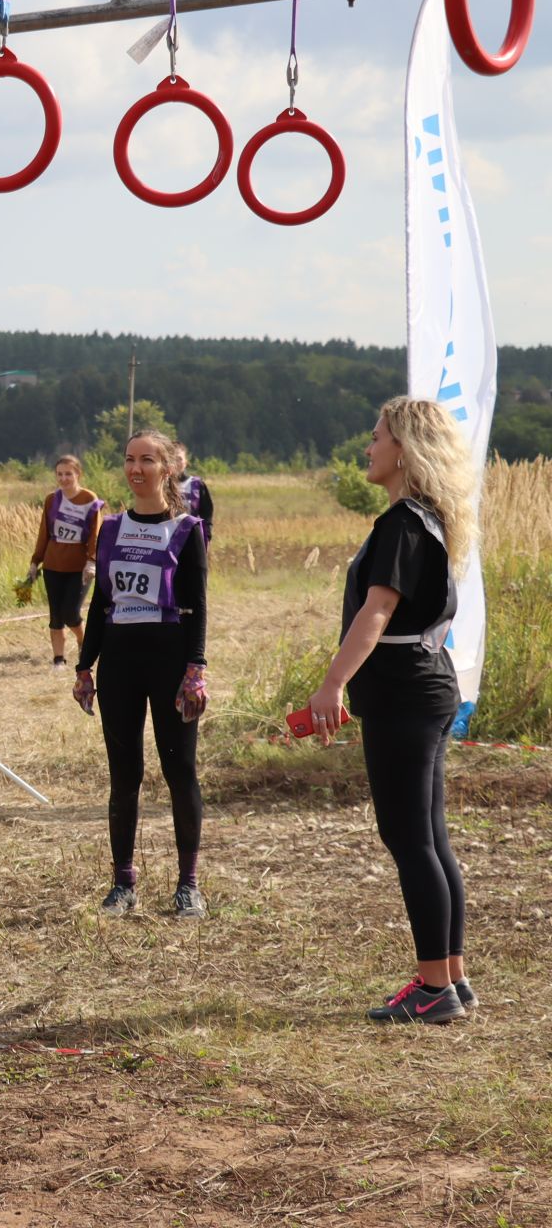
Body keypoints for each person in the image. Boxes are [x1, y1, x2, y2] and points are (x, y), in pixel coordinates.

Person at [308, 397, 477, 1025]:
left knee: (410, 838)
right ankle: (451, 978)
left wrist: (331, 685)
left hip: (405, 692)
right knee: (428, 837)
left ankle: (433, 988)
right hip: (425, 687)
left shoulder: (402, 524)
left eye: (377, 436)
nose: (368, 444)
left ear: (404, 448)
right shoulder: (424, 518)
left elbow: (374, 614)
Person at [73, 430, 209, 918]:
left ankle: (188, 884)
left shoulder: (187, 529)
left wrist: (196, 670)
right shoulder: (109, 529)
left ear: (167, 468)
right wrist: (84, 666)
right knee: (123, 774)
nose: (136, 469)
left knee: (179, 771)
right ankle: (123, 883)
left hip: (170, 662)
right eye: (129, 459)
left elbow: (198, 606)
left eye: (147, 460)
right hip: (121, 664)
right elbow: (103, 604)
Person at [26, 455, 103, 669]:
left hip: (79, 567)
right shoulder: (52, 500)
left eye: (68, 473)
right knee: (56, 614)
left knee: (71, 612)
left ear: (78, 474)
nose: (64, 478)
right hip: (53, 564)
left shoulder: (89, 499)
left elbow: (95, 534)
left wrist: (92, 561)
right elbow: (44, 533)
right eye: (59, 474)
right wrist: (35, 561)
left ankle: (83, 640)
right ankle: (58, 659)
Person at [175, 445, 214, 545]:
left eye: (179, 458)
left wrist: (207, 537)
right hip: (166, 538)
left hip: (191, 538)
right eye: (172, 458)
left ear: (186, 461)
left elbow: (206, 514)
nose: (176, 462)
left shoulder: (197, 484)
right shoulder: (161, 484)